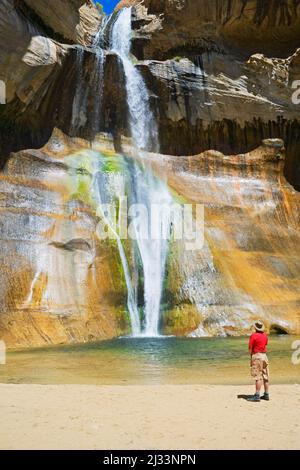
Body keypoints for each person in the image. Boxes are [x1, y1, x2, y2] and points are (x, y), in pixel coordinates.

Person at [247, 320, 270, 402]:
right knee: (265, 375)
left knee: (258, 377)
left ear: (255, 328)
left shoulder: (253, 336)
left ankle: (257, 395)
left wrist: (251, 356)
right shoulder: (265, 336)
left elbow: (250, 348)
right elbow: (265, 344)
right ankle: (266, 394)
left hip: (257, 356)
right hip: (264, 356)